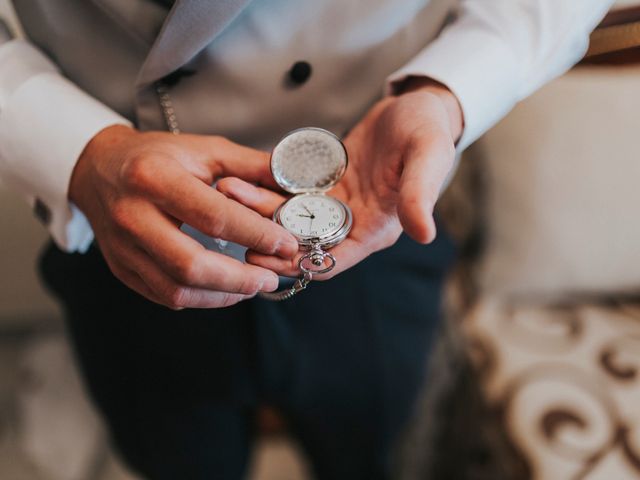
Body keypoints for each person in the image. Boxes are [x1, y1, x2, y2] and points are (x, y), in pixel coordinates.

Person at [0, 0, 613, 479]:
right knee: (175, 462)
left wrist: (447, 90)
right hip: (123, 235)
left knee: (372, 457)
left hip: (375, 216)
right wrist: (76, 149)